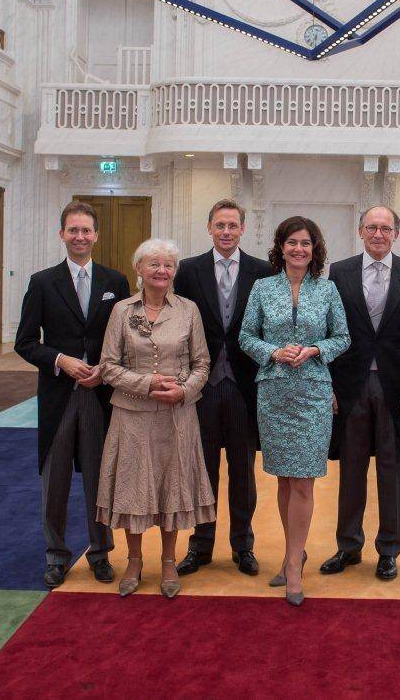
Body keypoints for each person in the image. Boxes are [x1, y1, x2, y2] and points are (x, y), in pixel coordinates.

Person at [15, 200, 131, 589]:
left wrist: (106, 369)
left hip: (100, 393)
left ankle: (100, 553)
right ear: (62, 234)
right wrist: (61, 360)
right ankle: (56, 556)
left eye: (86, 230)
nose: (80, 236)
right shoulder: (42, 282)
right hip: (59, 396)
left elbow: (125, 338)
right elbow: (25, 342)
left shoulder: (115, 282)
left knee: (100, 478)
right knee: (56, 480)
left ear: (96, 235)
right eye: (73, 230)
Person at [95, 239, 216, 599]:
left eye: (168, 265)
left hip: (177, 415)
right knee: (133, 488)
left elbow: (202, 363)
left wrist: (184, 391)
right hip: (131, 415)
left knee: (171, 487)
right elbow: (108, 366)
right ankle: (133, 561)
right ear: (139, 269)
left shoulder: (188, 310)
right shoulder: (121, 310)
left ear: (174, 271)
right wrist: (146, 384)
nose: (161, 271)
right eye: (154, 264)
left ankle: (168, 562)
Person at [239, 216, 350, 606]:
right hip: (273, 392)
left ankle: (292, 567)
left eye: (305, 243)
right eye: (292, 242)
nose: (298, 249)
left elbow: (343, 337)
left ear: (314, 249)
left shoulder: (328, 289)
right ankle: (294, 555)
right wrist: (273, 351)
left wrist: (316, 349)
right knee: (284, 481)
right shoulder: (262, 287)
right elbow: (246, 336)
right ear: (281, 247)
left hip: (314, 393)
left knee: (303, 481)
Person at [322, 206, 400, 581]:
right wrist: (329, 385)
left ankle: (389, 549)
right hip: (351, 384)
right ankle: (348, 546)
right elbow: (330, 329)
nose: (378, 234)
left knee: (391, 469)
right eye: (371, 227)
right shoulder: (340, 272)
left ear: (396, 233)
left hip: (395, 386)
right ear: (360, 231)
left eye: (385, 228)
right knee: (351, 469)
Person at [172, 199, 273, 577]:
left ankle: (243, 546)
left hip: (245, 386)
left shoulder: (264, 272)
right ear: (209, 228)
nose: (226, 231)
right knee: (202, 470)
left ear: (243, 228)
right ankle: (200, 545)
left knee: (244, 472)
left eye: (232, 225)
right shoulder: (188, 271)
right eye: (220, 225)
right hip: (203, 386)